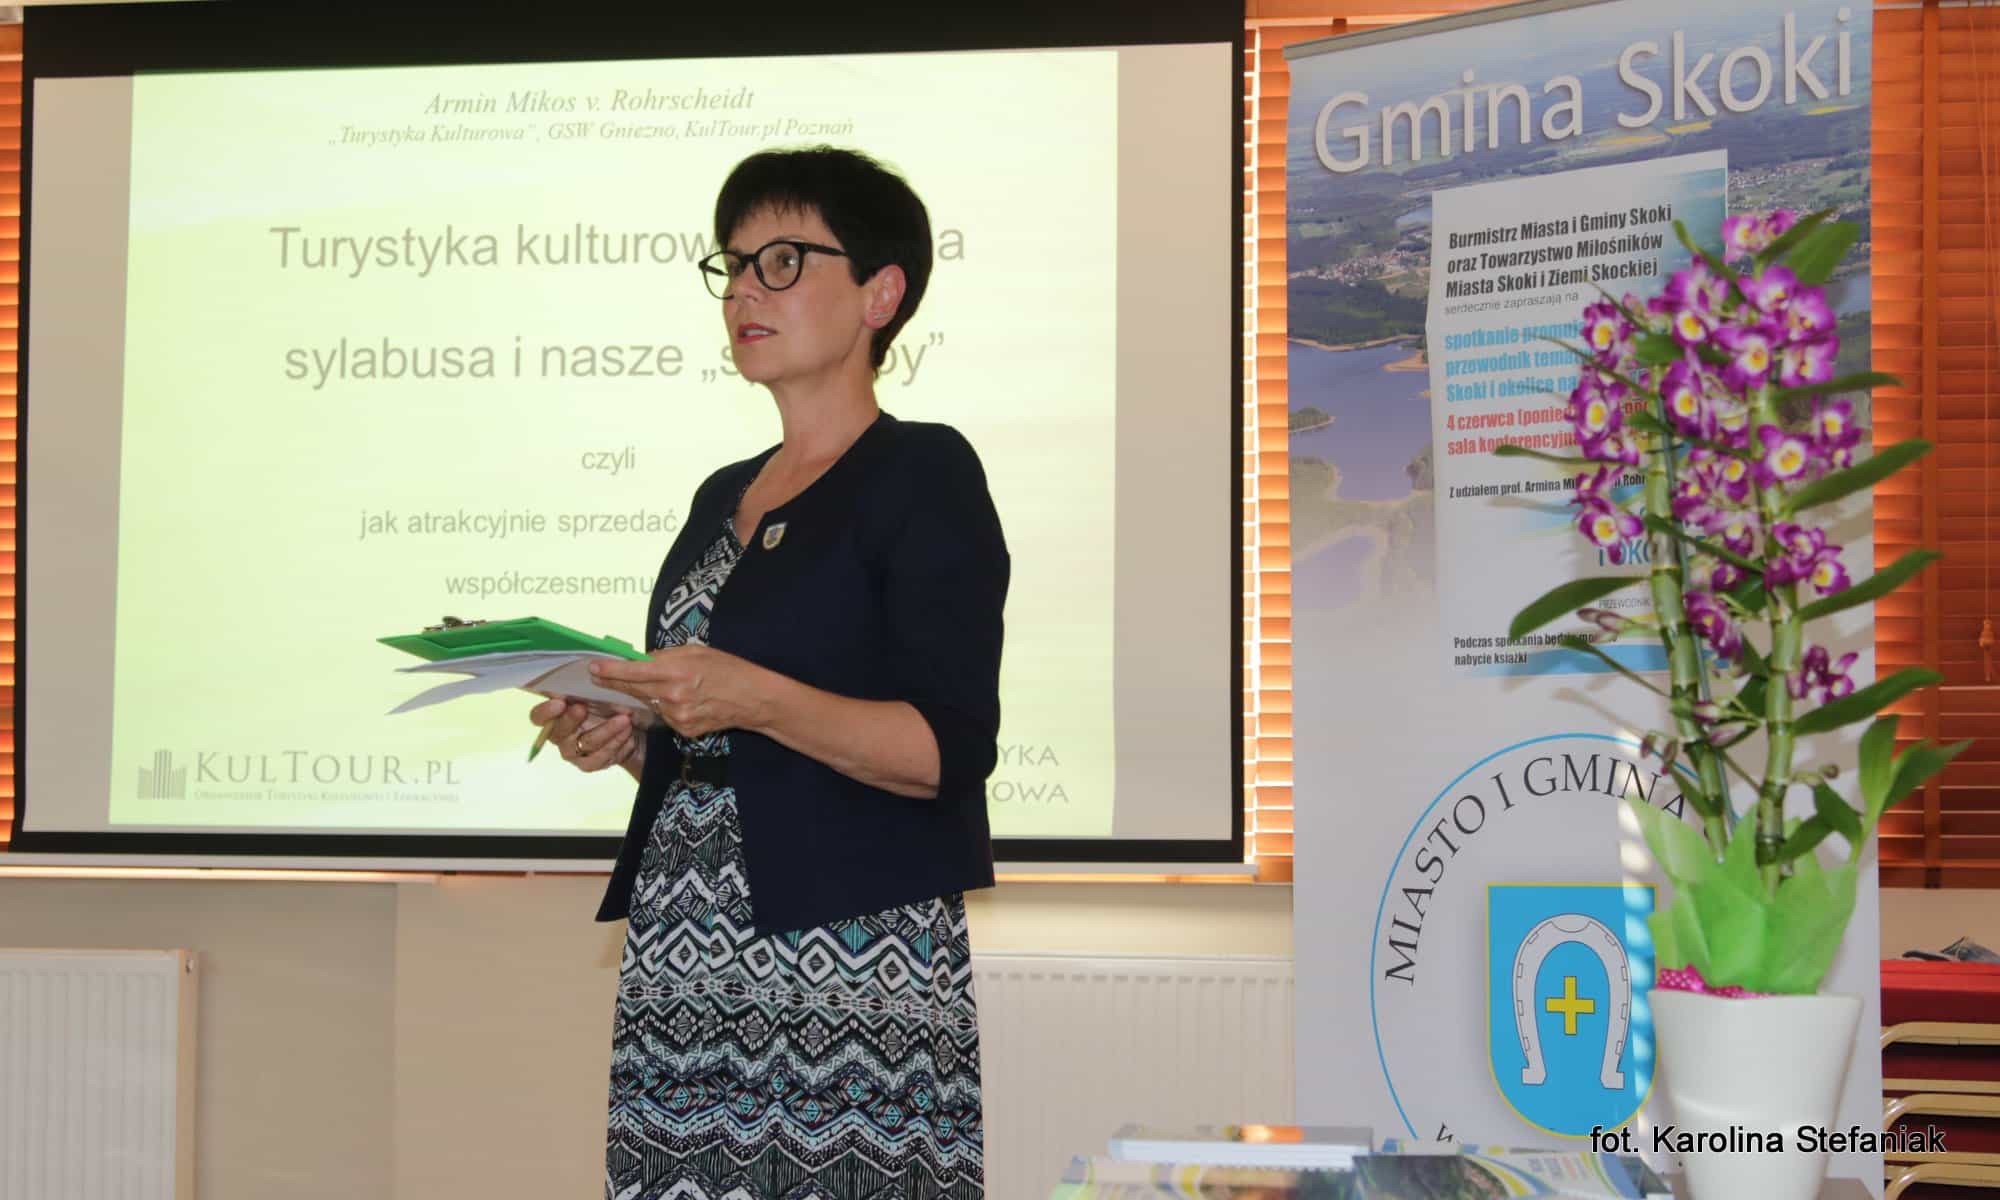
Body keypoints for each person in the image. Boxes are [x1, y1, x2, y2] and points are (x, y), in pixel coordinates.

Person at [529, 146, 1007, 1200]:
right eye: (733, 265)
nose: (744, 290)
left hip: (845, 950)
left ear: (881, 293)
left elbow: (947, 751)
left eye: (783, 261)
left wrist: (751, 696)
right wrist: (631, 737)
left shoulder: (922, 473)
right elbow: (724, 744)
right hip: (683, 940)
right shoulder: (722, 494)